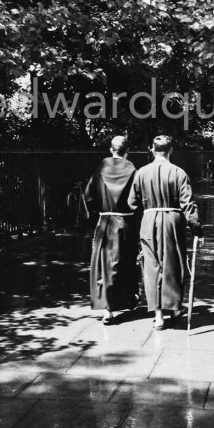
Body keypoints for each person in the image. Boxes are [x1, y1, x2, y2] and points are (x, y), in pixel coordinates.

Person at [128, 135, 203, 330]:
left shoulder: (141, 173)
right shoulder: (179, 173)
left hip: (149, 221)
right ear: (171, 151)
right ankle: (175, 308)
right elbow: (189, 205)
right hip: (172, 221)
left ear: (152, 150)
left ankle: (158, 316)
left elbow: (131, 203)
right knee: (174, 263)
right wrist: (197, 229)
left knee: (152, 266)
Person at [84, 135, 140, 325]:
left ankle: (107, 310)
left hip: (105, 221)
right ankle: (124, 301)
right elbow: (138, 200)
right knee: (124, 263)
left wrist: (97, 213)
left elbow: (88, 196)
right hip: (126, 222)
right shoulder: (133, 170)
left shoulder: (100, 168)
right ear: (128, 151)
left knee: (104, 266)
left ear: (111, 149)